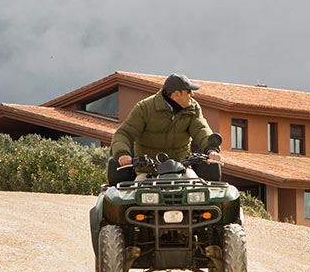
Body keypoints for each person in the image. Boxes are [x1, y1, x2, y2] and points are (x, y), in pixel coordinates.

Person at [90, 73, 222, 255]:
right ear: (176, 94)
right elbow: (124, 133)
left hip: (182, 170)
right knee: (130, 204)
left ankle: (209, 243)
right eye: (188, 92)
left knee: (204, 195)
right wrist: (122, 154)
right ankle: (132, 244)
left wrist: (211, 150)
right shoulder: (145, 108)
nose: (192, 95)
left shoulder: (192, 108)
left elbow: (201, 129)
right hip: (147, 171)